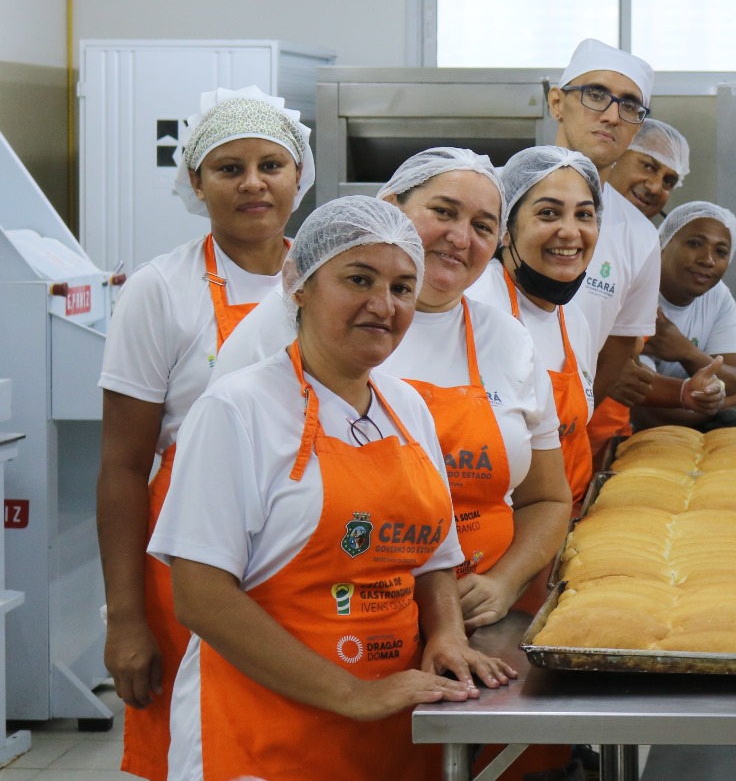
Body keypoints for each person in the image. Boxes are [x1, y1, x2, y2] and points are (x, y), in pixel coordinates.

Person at [149, 197, 515, 781]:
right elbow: (199, 595)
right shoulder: (238, 409)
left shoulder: (408, 407)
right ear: (301, 285)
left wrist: (444, 632)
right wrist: (350, 692)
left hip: (391, 725)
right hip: (263, 738)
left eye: (402, 288)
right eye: (359, 279)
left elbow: (434, 559)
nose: (383, 305)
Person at [213, 147, 573, 629]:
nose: (460, 237)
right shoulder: (286, 324)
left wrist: (504, 583)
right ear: (391, 207)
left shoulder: (509, 341)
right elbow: (213, 534)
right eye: (443, 211)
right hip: (311, 621)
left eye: (484, 226)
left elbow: (547, 498)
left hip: (472, 628)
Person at [96, 86, 313, 780]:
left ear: (299, 177)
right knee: (196, 748)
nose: (253, 183)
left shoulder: (329, 273)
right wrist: (124, 618)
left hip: (304, 553)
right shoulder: (162, 290)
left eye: (271, 165)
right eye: (228, 168)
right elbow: (124, 467)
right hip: (187, 561)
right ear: (196, 182)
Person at [548, 39, 665, 462]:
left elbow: (617, 350)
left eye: (630, 105)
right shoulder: (489, 193)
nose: (612, 114)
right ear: (557, 102)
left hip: (562, 444)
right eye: (596, 94)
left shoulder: (638, 234)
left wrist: (564, 423)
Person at [467, 146, 604, 504]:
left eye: (584, 215)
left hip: (571, 524)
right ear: (506, 228)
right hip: (507, 532)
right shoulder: (480, 309)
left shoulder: (572, 316)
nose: (570, 232)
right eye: (549, 213)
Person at [635, 201, 736, 428]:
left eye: (721, 251)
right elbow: (650, 413)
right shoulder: (636, 295)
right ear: (662, 244)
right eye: (695, 243)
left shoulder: (717, 295)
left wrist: (687, 352)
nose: (707, 260)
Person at [606, 117, 688, 220]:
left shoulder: (650, 236)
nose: (655, 188)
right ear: (616, 154)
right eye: (648, 166)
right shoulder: (581, 226)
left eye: (668, 181)